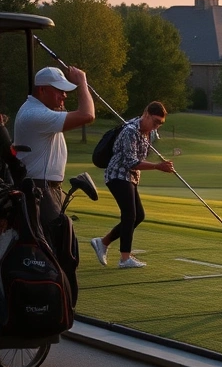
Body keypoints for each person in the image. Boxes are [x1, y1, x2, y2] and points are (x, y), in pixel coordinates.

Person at [90, 102, 174, 269]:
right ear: (146, 114)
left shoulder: (148, 133)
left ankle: (103, 242)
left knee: (139, 215)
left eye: (160, 124)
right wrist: (157, 166)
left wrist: (158, 162)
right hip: (117, 174)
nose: (156, 126)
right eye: (155, 122)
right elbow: (131, 162)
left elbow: (141, 156)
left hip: (131, 177)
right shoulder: (130, 131)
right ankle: (124, 258)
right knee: (129, 214)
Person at [14, 66, 95, 227]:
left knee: (58, 238)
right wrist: (82, 82)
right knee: (57, 235)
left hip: (45, 187)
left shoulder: (39, 110)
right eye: (59, 90)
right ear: (42, 90)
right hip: (39, 188)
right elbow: (88, 115)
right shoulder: (36, 114)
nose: (64, 95)